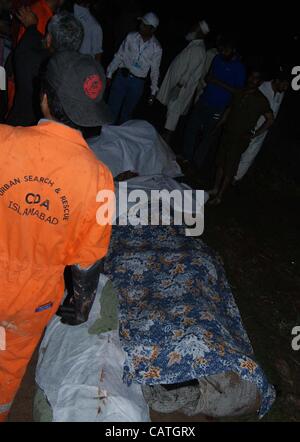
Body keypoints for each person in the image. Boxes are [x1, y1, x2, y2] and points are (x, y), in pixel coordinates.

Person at [0, 50, 114, 422]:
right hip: (31, 301)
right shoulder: (100, 180)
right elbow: (89, 260)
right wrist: (81, 307)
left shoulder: (3, 142)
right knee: (9, 364)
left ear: (44, 97)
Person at [208, 69, 274, 205]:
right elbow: (229, 109)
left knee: (230, 167)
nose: (252, 80)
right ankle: (215, 188)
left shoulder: (261, 100)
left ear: (260, 82)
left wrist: (255, 134)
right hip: (227, 132)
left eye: (255, 78)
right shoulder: (240, 92)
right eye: (251, 76)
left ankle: (220, 196)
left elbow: (270, 119)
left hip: (240, 138)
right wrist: (219, 124)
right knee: (220, 162)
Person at [6, 10, 83, 126]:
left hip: (21, 126)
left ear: (48, 38)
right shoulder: (77, 73)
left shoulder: (31, 59)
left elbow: (26, 52)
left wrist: (32, 27)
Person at [182, 36, 246, 167]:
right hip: (204, 99)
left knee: (208, 136)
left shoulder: (239, 68)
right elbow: (209, 76)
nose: (223, 52)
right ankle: (185, 157)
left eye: (226, 50)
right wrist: (209, 79)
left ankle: (196, 163)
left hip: (218, 107)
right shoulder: (217, 58)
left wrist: (219, 83)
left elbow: (238, 92)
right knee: (191, 128)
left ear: (234, 50)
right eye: (222, 49)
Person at [157, 20, 210, 145]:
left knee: (172, 116)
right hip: (179, 87)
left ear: (200, 33)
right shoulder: (194, 45)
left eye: (194, 28)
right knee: (170, 114)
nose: (191, 29)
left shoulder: (198, 49)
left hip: (181, 89)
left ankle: (165, 144)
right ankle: (163, 141)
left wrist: (179, 85)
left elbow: (189, 71)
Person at [106, 12, 162, 124]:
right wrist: (109, 74)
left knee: (126, 115)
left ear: (152, 29)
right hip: (122, 76)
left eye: (144, 24)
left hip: (137, 83)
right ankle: (105, 136)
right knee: (111, 110)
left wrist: (153, 91)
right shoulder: (131, 37)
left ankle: (120, 139)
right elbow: (119, 55)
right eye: (141, 23)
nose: (141, 26)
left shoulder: (156, 48)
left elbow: (155, 71)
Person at [234, 70, 289, 182]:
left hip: (262, 132)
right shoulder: (262, 88)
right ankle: (227, 175)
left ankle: (235, 179)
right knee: (236, 151)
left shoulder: (281, 93)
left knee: (249, 156)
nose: (286, 87)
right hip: (249, 127)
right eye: (284, 84)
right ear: (277, 81)